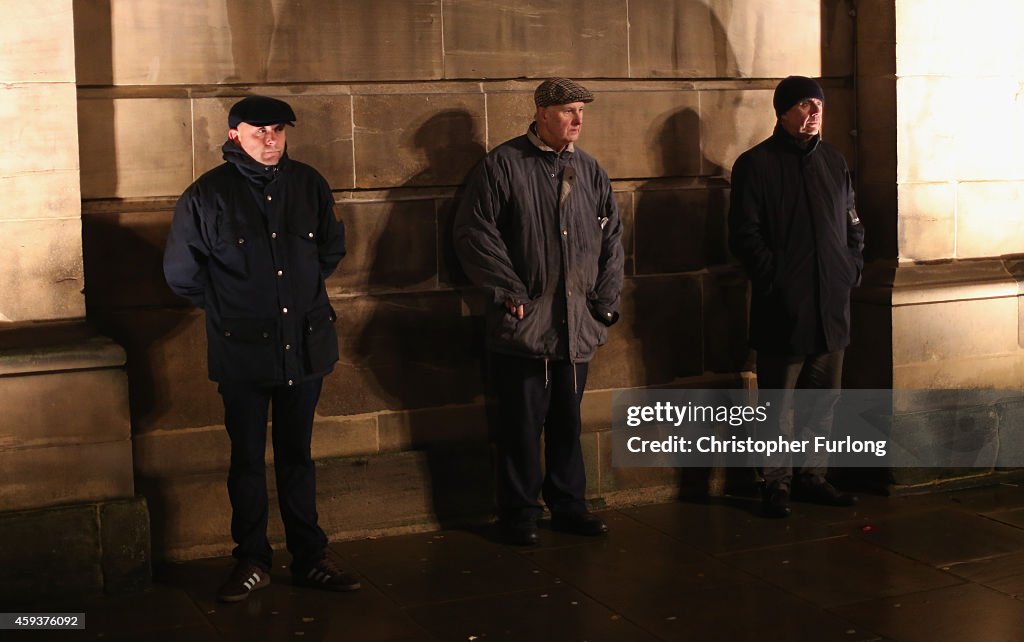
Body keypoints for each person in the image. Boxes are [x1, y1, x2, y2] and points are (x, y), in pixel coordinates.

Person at [164, 95, 359, 601]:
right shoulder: (206, 195)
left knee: (298, 455)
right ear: (235, 135)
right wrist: (236, 306)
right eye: (259, 131)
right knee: (247, 458)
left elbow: (330, 247)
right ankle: (251, 559)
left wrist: (297, 294)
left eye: (277, 130)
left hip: (305, 346)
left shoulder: (308, 184)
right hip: (243, 352)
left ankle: (310, 555)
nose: (270, 139)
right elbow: (183, 274)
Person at [454, 78, 624, 545]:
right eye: (568, 110)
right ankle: (520, 512)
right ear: (542, 113)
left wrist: (604, 302)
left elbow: (612, 240)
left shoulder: (589, 171)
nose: (577, 119)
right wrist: (509, 290)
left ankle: (570, 503)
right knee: (521, 425)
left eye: (581, 111)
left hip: (577, 326)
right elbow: (475, 233)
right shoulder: (503, 166)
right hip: (526, 325)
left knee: (568, 421)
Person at [728, 76, 865, 518]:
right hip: (784, 308)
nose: (813, 113)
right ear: (782, 111)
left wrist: (850, 271)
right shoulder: (756, 164)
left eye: (818, 106)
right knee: (779, 404)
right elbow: (745, 235)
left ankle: (811, 475)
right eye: (804, 105)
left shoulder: (834, 161)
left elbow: (852, 225)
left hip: (831, 305)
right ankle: (776, 482)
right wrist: (777, 281)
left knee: (823, 399)